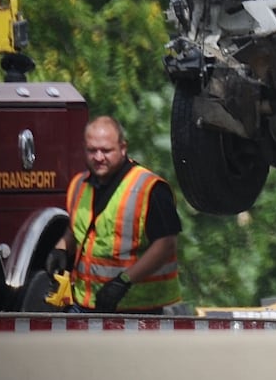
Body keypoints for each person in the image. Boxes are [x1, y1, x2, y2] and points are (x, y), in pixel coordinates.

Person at [48, 115, 183, 314]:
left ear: (123, 148)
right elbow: (77, 229)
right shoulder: (79, 184)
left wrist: (123, 281)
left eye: (106, 150)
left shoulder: (149, 188)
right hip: (85, 304)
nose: (99, 157)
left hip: (138, 308)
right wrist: (60, 249)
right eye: (92, 150)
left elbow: (165, 245)